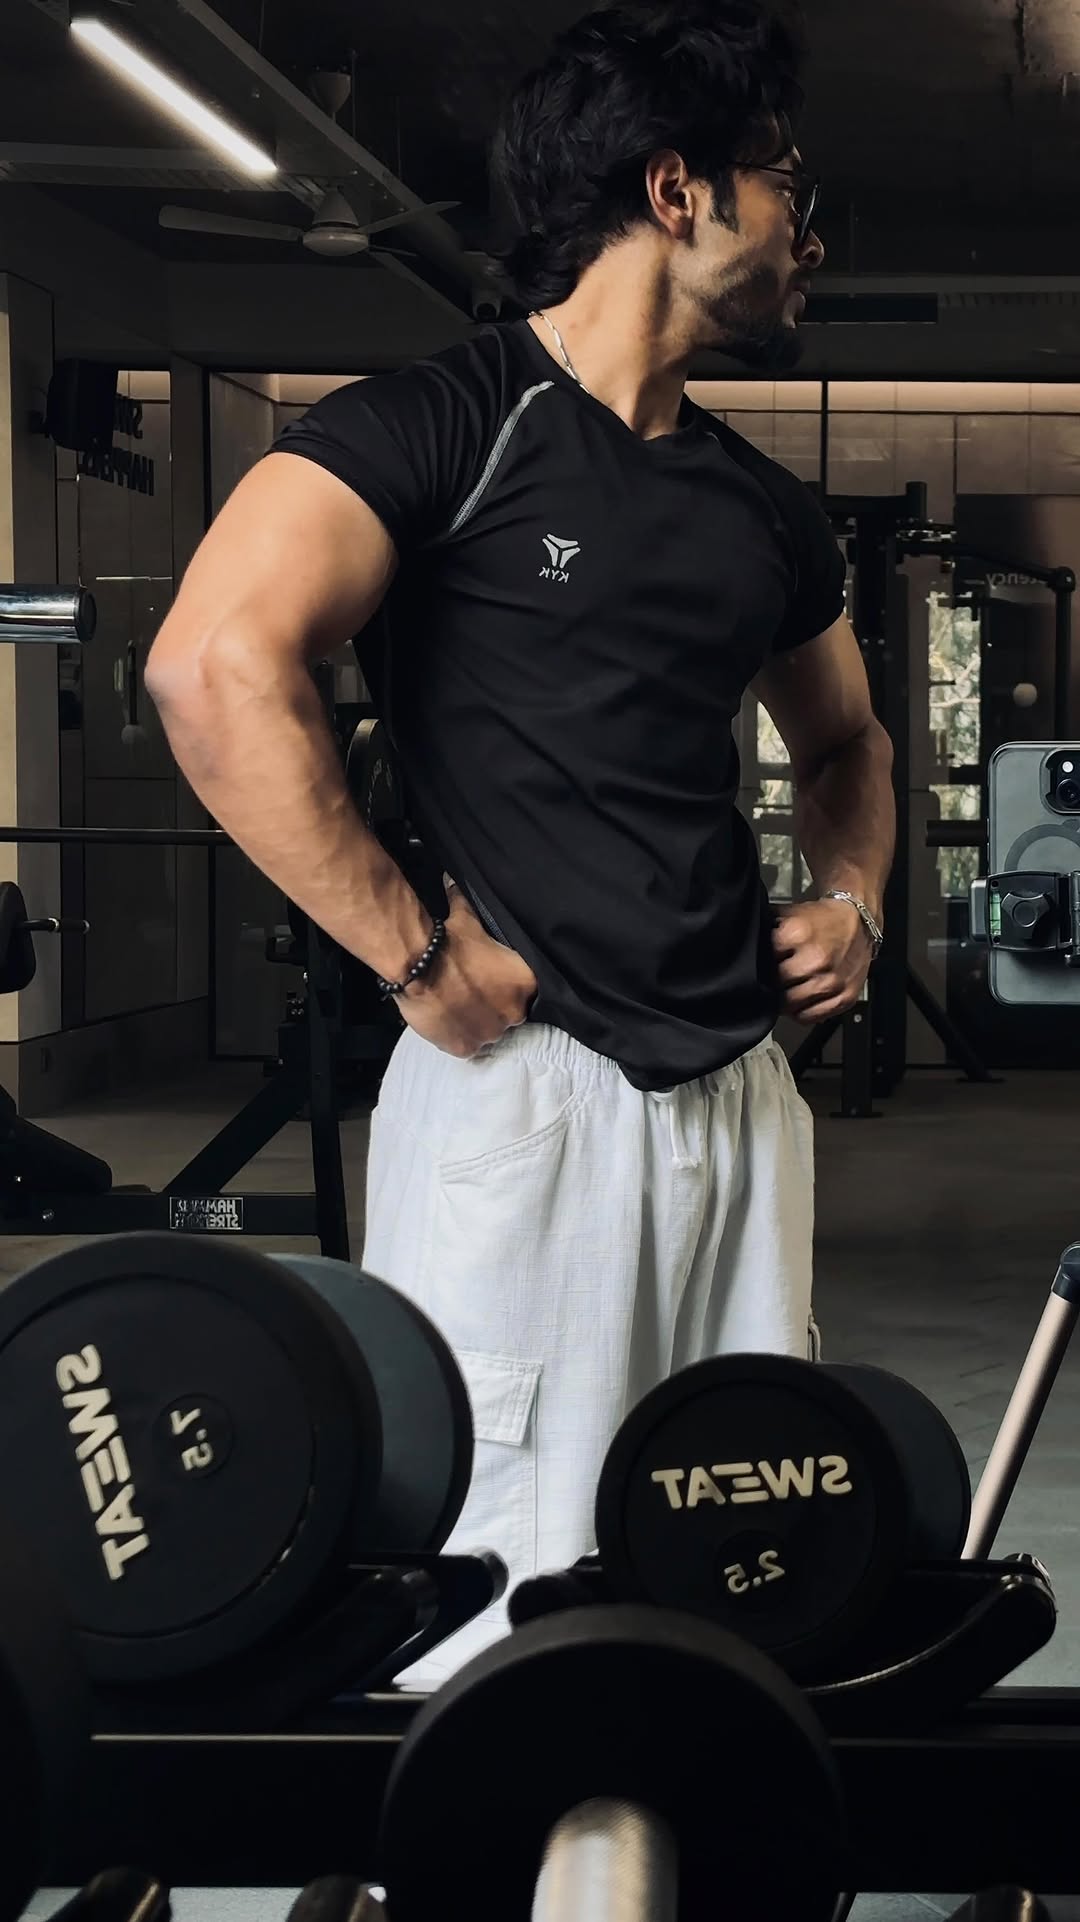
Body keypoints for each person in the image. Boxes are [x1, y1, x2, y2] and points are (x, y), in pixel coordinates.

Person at [146, 0, 895, 1685]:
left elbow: (851, 743)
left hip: (737, 1096)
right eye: (785, 184)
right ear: (678, 190)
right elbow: (211, 665)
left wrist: (850, 896)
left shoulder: (762, 508)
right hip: (525, 1085)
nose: (810, 233)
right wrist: (412, 950)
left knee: (738, 1560)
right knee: (499, 1588)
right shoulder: (444, 424)